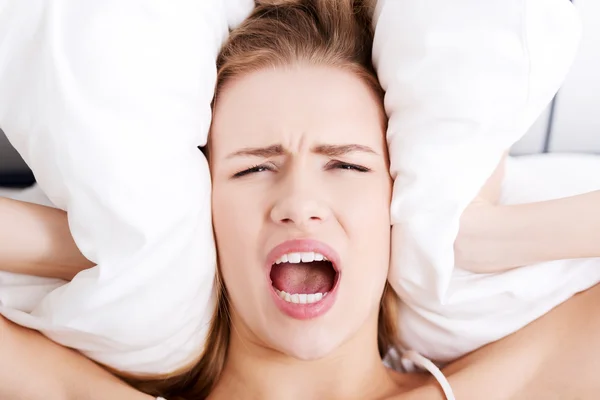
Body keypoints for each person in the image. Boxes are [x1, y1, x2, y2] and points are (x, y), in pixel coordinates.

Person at [1, 1, 600, 399]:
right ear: (201, 211)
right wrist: (114, 247)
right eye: (255, 167)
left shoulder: (519, 382)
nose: (299, 201)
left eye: (345, 164)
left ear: (396, 202)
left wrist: (473, 233)